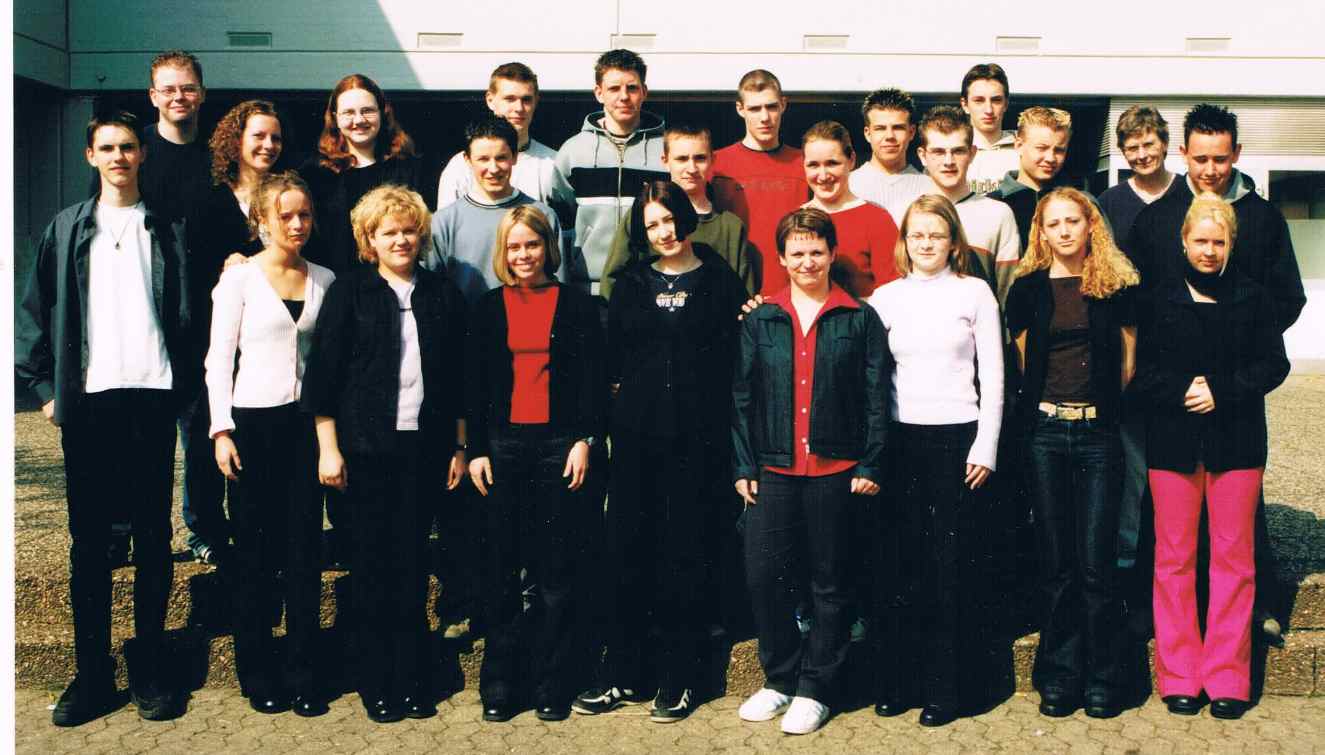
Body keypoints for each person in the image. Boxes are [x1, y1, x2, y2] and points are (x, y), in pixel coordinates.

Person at [17, 110, 190, 725]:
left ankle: (149, 666)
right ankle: (92, 673)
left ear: (142, 154)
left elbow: (187, 313)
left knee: (153, 539)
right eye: (108, 148)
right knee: (89, 544)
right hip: (89, 403)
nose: (119, 157)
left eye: (128, 147)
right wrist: (44, 389)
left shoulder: (166, 227)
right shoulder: (67, 228)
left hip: (152, 396)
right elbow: (33, 310)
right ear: (91, 156)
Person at [1126, 104, 1305, 641]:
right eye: (1200, 158)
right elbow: (1136, 306)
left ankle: (1257, 605)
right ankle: (1151, 611)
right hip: (1171, 394)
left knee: (1239, 514)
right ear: (1183, 154)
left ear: (1237, 155)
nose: (1210, 170)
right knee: (1166, 513)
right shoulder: (1156, 220)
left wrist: (1238, 351)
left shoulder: (1264, 219)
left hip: (1234, 391)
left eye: (1221, 159)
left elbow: (1288, 297)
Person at [573, 181, 748, 723]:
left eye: (669, 219)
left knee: (685, 556)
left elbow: (736, 358)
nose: (663, 231)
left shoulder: (719, 279)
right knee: (628, 553)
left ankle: (681, 679)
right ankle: (623, 674)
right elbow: (612, 364)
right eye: (652, 224)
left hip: (698, 443)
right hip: (636, 441)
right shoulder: (630, 283)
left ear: (684, 218)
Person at [301, 185, 468, 723]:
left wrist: (460, 446)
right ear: (368, 239)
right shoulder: (350, 292)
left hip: (424, 450)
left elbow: (460, 380)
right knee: (372, 568)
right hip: (364, 453)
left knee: (413, 566)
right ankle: (377, 681)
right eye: (388, 232)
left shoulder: (441, 293)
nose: (400, 240)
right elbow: (323, 378)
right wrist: (329, 450)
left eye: (408, 230)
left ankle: (413, 677)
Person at [1128, 196, 1289, 720]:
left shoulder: (1253, 297)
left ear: (1231, 244)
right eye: (1201, 240)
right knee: (1174, 559)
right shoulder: (1158, 299)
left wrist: (1222, 388)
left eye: (1219, 242)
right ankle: (1179, 675)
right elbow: (1139, 370)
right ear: (1183, 241)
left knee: (1233, 561)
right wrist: (1181, 389)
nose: (1209, 251)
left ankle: (1227, 677)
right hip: (1173, 444)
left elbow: (1274, 364)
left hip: (1236, 443)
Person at [733, 207, 888, 735]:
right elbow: (742, 396)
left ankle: (816, 688)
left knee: (830, 581)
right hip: (773, 468)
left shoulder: (858, 317)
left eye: (816, 251)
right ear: (781, 258)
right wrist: (743, 463)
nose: (807, 261)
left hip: (835, 469)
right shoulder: (761, 318)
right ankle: (780, 678)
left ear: (831, 254)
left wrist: (870, 461)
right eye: (796, 252)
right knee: (764, 577)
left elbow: (875, 397)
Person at [866, 194, 1003, 727]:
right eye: (917, 235)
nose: (926, 243)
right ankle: (899, 681)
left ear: (953, 242)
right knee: (900, 565)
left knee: (950, 569)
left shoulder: (974, 292)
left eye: (936, 234)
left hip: (958, 442)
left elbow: (993, 375)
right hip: (900, 442)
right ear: (905, 241)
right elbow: (874, 378)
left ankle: (948, 688)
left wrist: (986, 444)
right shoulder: (886, 298)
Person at [466, 205, 606, 723]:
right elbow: (473, 387)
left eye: (532, 244)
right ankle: (502, 684)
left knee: (556, 572)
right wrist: (476, 449)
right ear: (503, 253)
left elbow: (594, 380)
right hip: (502, 447)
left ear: (548, 247)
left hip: (558, 446)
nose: (523, 255)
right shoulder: (487, 308)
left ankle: (553, 683)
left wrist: (585, 439)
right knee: (501, 570)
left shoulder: (578, 306)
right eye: (514, 246)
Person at [1005, 187, 1140, 720]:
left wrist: (1097, 410)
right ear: (1040, 232)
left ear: (1091, 226)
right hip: (1045, 434)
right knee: (1057, 563)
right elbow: (1024, 362)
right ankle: (1060, 676)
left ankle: (1105, 677)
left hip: (1098, 435)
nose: (1064, 231)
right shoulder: (1028, 289)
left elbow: (1128, 363)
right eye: (1053, 223)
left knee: (1096, 563)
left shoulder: (1116, 286)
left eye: (1073, 221)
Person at [205, 172, 335, 717]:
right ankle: (257, 672)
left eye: (304, 214)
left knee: (304, 552)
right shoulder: (238, 280)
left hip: (306, 429)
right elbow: (218, 359)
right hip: (252, 427)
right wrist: (221, 430)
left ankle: (304, 673)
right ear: (262, 219)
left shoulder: (325, 278)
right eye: (286, 216)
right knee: (255, 554)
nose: (297, 224)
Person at [137, 50, 229, 568]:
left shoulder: (216, 157)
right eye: (169, 89)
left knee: (200, 432)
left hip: (205, 318)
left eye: (188, 88)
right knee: (138, 436)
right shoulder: (135, 151)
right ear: (153, 96)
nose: (179, 97)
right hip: (146, 315)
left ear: (202, 93)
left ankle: (204, 528)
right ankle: (126, 531)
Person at [1097, 106, 1181, 629]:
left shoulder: (1188, 195)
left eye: (1150, 143)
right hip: (1127, 355)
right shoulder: (1109, 204)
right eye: (1133, 147)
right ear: (1122, 152)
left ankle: (1176, 574)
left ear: (1165, 143)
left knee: (1175, 471)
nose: (1143, 154)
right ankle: (1131, 576)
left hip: (1180, 356)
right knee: (1131, 472)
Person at [552, 48, 666, 297]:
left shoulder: (666, 152)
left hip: (650, 288)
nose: (624, 96)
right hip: (587, 290)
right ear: (599, 93)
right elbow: (560, 226)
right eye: (614, 88)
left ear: (644, 92)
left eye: (632, 88)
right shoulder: (573, 152)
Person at [602, 124, 757, 297]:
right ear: (665, 161)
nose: (692, 169)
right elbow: (612, 282)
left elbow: (743, 297)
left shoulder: (730, 227)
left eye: (700, 158)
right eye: (682, 159)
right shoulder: (643, 215)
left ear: (712, 160)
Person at [426, 115, 564, 305]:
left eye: (501, 158)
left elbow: (559, 287)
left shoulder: (543, 216)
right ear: (467, 160)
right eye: (483, 159)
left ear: (514, 157)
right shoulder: (444, 222)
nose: (493, 168)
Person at [301, 73, 428, 274]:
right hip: (333, 281)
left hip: (393, 282)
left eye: (367, 111)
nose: (359, 120)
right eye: (348, 113)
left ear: (382, 113)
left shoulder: (409, 168)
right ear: (335, 117)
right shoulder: (314, 174)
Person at [712, 69, 808, 295]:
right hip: (734, 291)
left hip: (796, 291)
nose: (765, 117)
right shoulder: (716, 164)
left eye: (771, 107)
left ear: (783, 104)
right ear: (740, 109)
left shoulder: (806, 163)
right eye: (755, 109)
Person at [914, 104, 1021, 299]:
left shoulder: (998, 214)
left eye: (958, 151)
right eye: (938, 152)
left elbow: (1010, 296)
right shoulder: (905, 213)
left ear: (972, 153)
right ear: (922, 156)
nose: (948, 161)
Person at [800, 120, 900, 298]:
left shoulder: (877, 219)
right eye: (813, 165)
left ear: (851, 160)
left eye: (832, 163)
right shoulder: (793, 221)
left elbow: (893, 293)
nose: (823, 176)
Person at [437, 62, 558, 208]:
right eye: (510, 99)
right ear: (490, 100)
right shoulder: (461, 167)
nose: (519, 108)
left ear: (536, 101)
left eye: (526, 100)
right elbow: (447, 221)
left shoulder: (553, 164)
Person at [848, 88, 931, 219]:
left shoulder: (930, 188)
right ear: (867, 134)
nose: (889, 136)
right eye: (880, 128)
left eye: (898, 128)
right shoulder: (848, 184)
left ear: (911, 132)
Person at [960, 63, 1018, 195]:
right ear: (965, 105)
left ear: (1006, 104)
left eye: (996, 100)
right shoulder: (950, 151)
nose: (989, 110)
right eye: (979, 100)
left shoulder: (1025, 149)